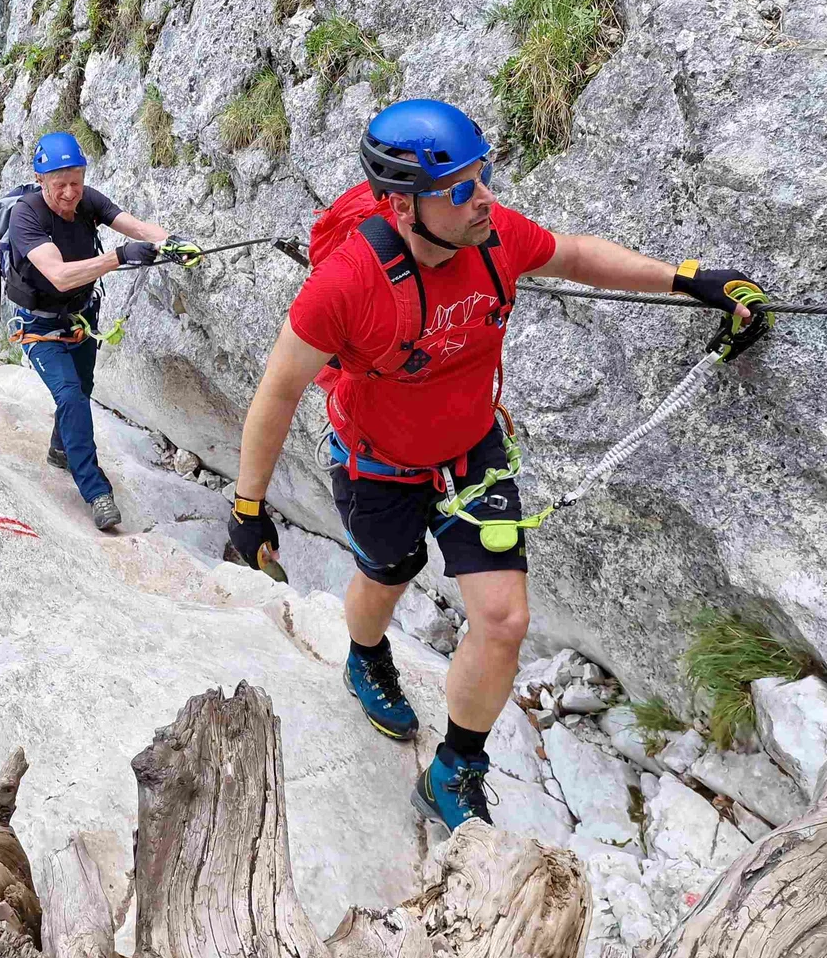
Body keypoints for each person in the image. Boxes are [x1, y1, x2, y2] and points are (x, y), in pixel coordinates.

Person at [225, 99, 766, 832]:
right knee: (385, 576)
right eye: (459, 189)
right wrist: (248, 506)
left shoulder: (491, 236)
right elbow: (280, 387)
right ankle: (365, 656)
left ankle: (456, 769)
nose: (483, 199)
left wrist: (687, 278)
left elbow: (574, 256)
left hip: (472, 458)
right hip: (377, 464)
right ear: (402, 206)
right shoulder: (348, 283)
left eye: (483, 177)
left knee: (505, 620)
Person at [6, 131, 188, 533]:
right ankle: (95, 490)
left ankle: (60, 448)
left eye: (77, 182)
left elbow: (135, 227)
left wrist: (171, 243)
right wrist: (119, 256)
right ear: (41, 182)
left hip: (82, 317)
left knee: (82, 387)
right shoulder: (27, 216)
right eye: (60, 185)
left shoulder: (88, 200)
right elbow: (59, 274)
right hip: (40, 326)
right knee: (71, 394)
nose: (71, 193)